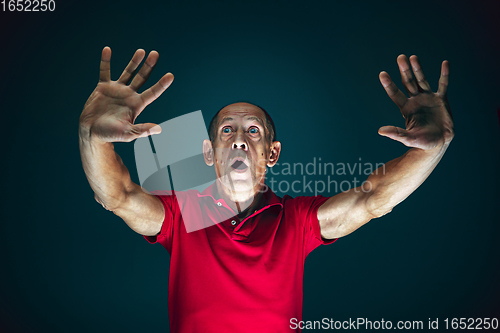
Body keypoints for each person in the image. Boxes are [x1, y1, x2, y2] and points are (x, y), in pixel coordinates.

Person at [79, 47, 454, 332]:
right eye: (228, 130)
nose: (240, 140)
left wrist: (433, 148)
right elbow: (119, 196)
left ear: (272, 153)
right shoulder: (180, 213)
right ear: (208, 153)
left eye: (252, 130)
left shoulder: (296, 219)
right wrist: (92, 136)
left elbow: (372, 199)